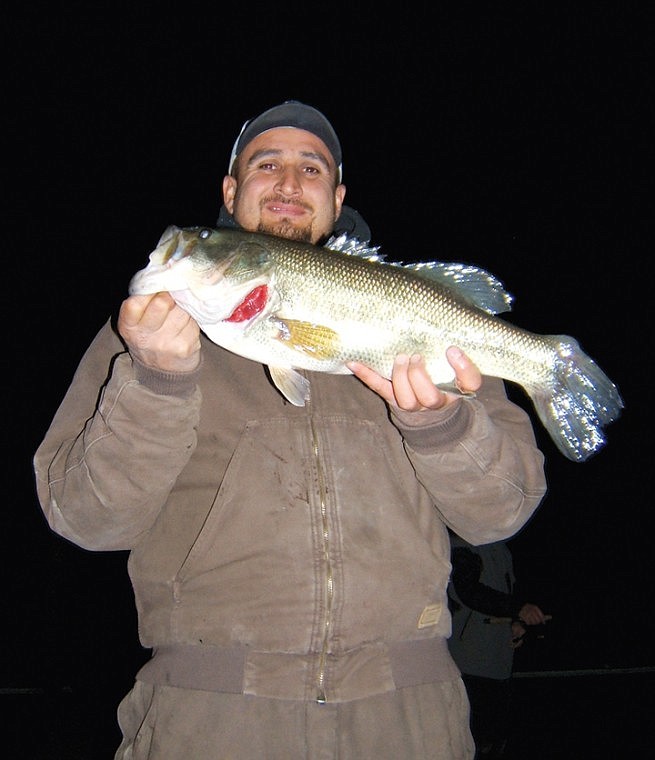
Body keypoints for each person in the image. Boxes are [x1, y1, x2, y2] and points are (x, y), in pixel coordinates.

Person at [33, 100, 548, 759]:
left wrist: (441, 427)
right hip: (210, 720)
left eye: (310, 168)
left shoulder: (417, 324)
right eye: (265, 164)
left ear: (336, 197)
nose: (286, 182)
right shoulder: (146, 337)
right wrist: (158, 380)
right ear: (230, 191)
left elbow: (501, 514)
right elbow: (85, 519)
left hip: (409, 719)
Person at [447, 533, 551, 758]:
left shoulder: (501, 550)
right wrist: (518, 608)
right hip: (467, 665)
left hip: (499, 663)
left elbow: (507, 594)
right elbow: (469, 592)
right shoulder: (461, 547)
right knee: (468, 741)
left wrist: (517, 623)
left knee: (495, 739)